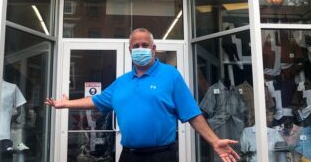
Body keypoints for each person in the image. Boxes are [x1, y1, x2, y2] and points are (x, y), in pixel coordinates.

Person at [45, 28, 240, 162]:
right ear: (130, 50)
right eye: (136, 46)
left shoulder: (170, 75)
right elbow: (95, 101)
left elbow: (192, 114)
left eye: (145, 45)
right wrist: (67, 103)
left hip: (162, 156)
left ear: (153, 49)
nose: (140, 49)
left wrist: (215, 141)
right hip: (129, 156)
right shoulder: (121, 82)